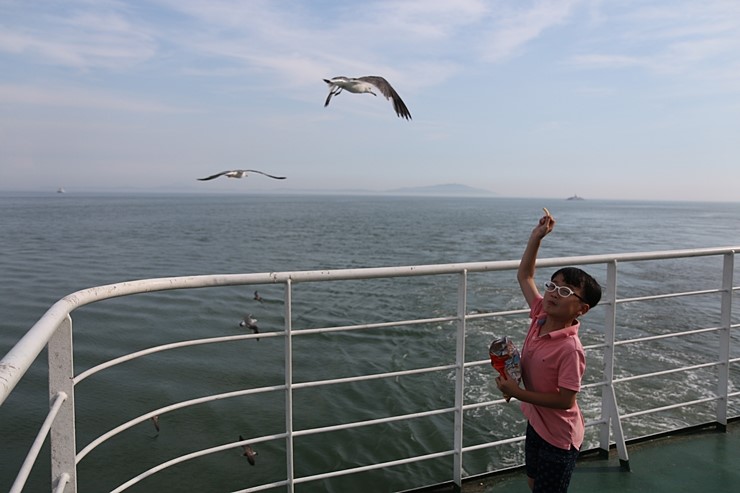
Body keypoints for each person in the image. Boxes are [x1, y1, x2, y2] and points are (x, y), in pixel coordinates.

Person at [495, 211, 602, 492]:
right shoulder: (540, 315)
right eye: (553, 286)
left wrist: (517, 393)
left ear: (582, 309)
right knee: (533, 482)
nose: (554, 293)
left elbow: (566, 401)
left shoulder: (570, 349)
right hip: (537, 425)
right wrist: (536, 237)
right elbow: (525, 275)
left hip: (559, 438)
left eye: (566, 292)